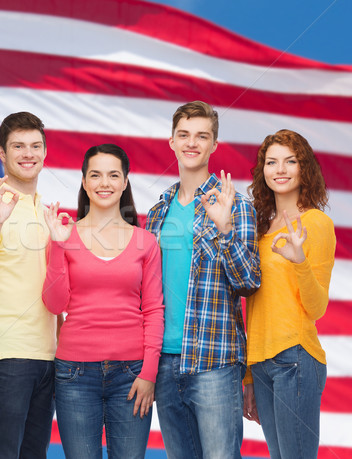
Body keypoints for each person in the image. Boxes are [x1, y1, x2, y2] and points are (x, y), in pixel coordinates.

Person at [145, 101, 261, 459]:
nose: (191, 143)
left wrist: (224, 227)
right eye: (184, 135)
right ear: (172, 142)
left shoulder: (236, 206)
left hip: (214, 359)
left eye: (202, 136)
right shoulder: (157, 212)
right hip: (164, 362)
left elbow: (249, 281)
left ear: (213, 145)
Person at [42, 144, 165, 459]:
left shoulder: (145, 242)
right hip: (75, 374)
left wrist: (149, 373)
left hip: (132, 373)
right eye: (95, 175)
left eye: (113, 175)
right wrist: (56, 246)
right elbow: (56, 305)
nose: (104, 183)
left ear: (125, 182)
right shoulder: (63, 236)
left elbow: (153, 310)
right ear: (84, 181)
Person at [0, 112, 59, 458]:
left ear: (45, 153)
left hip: (47, 357)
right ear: (2, 152)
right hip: (5, 355)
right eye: (18, 146)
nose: (28, 153)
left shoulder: (46, 213)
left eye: (35, 146)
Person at [243, 129, 335, 459]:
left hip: (294, 360)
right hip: (263, 364)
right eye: (271, 162)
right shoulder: (259, 228)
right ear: (262, 171)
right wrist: (250, 374)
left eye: (290, 161)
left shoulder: (316, 224)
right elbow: (252, 305)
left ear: (303, 168)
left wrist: (299, 262)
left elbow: (317, 306)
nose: (280, 169)